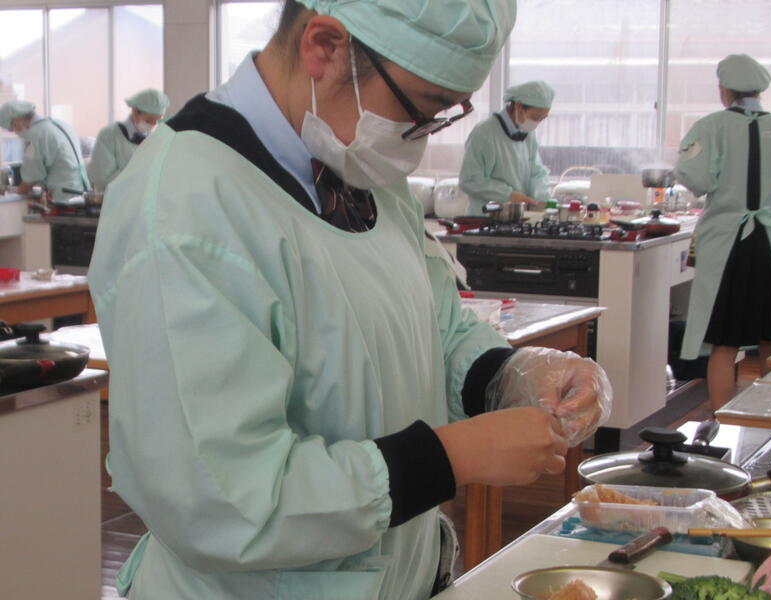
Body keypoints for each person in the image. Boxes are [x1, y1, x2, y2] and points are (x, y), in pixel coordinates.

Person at [88, 2, 611, 598]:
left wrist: (506, 375)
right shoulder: (186, 206)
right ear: (325, 46)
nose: (417, 139)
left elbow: (430, 323)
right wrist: (447, 459)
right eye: (420, 108)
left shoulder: (353, 162)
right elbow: (221, 499)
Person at [677, 54, 771, 411]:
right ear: (759, 90)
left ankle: (720, 420)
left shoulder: (710, 127)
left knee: (724, 342)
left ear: (724, 89)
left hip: (726, 243)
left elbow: (696, 179)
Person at [459, 80, 554, 215]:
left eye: (542, 118)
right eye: (536, 117)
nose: (537, 123)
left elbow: (536, 172)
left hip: (516, 216)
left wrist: (540, 199)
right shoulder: (484, 133)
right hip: (485, 217)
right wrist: (507, 195)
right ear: (518, 106)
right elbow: (469, 180)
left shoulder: (527, 133)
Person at [0, 99, 89, 203]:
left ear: (17, 121)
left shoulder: (36, 135)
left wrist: (12, 196)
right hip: (82, 191)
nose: (15, 132)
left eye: (12, 128)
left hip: (63, 197)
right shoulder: (59, 125)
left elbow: (31, 178)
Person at [88, 89, 170, 191]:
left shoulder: (152, 139)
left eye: (157, 121)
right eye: (149, 120)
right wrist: (140, 176)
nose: (153, 125)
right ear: (135, 112)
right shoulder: (109, 136)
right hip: (116, 199)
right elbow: (102, 180)